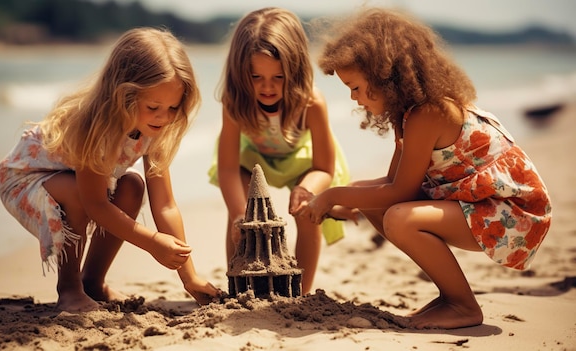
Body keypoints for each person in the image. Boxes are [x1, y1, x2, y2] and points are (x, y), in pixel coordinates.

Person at [297, 8, 552, 329]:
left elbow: (399, 193)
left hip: (514, 215)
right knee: (369, 196)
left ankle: (462, 306)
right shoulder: (407, 114)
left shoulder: (429, 113)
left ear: (385, 77)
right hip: (479, 204)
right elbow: (393, 182)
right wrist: (350, 203)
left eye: (356, 87)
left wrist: (333, 194)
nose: (353, 98)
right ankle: (450, 297)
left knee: (399, 217)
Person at [0, 27, 220, 312]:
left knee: (132, 187)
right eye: (153, 106)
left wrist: (190, 277)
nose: (163, 117)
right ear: (123, 94)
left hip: (77, 184)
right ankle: (69, 289)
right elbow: (95, 204)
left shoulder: (154, 128)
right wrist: (152, 243)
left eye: (173, 108)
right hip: (25, 180)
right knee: (78, 195)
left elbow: (164, 204)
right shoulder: (96, 127)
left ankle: (92, 282)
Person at [207, 7, 354, 295]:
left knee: (306, 212)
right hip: (255, 160)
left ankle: (301, 293)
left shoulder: (311, 102)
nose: (267, 87)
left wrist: (307, 190)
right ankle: (240, 288)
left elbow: (324, 167)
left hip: (304, 161)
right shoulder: (235, 102)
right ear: (240, 73)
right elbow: (226, 168)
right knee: (240, 217)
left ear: (295, 70)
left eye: (278, 77)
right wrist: (239, 215)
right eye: (256, 77)